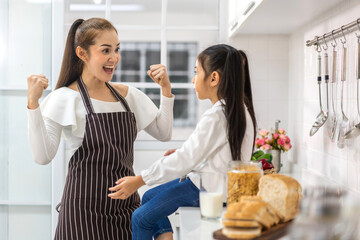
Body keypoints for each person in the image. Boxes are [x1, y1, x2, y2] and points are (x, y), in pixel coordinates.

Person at [27, 18, 174, 240]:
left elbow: (163, 133)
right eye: (105, 50)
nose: (114, 58)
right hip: (82, 214)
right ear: (82, 53)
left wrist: (166, 90)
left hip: (126, 210)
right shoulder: (64, 99)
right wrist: (33, 104)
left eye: (117, 49)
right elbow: (42, 156)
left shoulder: (129, 95)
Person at [108, 44, 257, 240]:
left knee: (139, 218)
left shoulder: (218, 115)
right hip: (218, 187)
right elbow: (215, 152)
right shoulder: (237, 109)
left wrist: (139, 179)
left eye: (196, 72)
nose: (193, 79)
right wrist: (184, 154)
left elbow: (187, 158)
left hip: (206, 190)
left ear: (213, 78)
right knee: (148, 197)